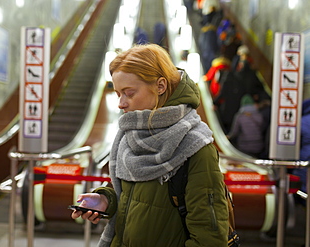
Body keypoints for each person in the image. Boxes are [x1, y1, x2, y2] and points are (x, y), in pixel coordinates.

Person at [71, 44, 229, 246]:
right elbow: (134, 195)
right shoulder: (130, 135)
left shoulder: (195, 146)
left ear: (160, 86)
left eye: (129, 93)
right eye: (118, 93)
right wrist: (106, 200)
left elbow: (209, 237)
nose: (121, 103)